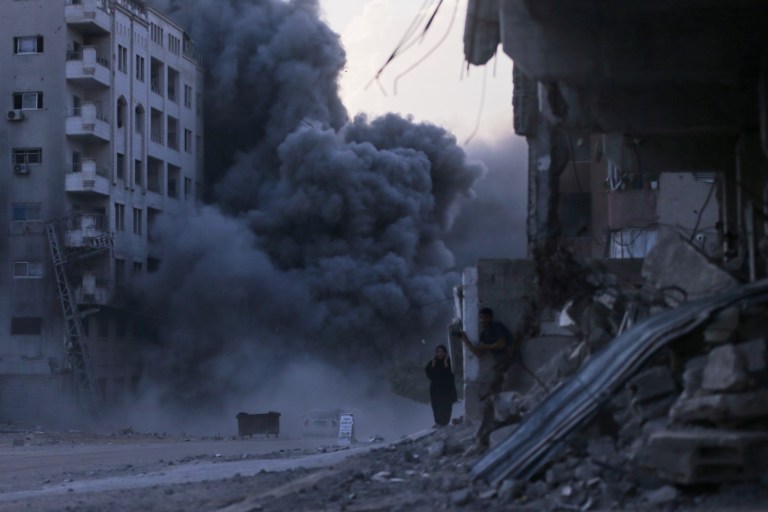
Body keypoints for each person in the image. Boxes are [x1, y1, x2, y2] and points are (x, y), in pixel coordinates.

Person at [425, 344, 457, 427]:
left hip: (447, 390)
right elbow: (430, 376)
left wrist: (446, 364)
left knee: (446, 407)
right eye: (438, 352)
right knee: (436, 407)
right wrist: (432, 365)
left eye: (442, 352)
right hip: (435, 390)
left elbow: (450, 376)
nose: (440, 354)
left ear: (445, 353)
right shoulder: (433, 362)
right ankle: (438, 423)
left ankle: (444, 423)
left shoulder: (449, 362)